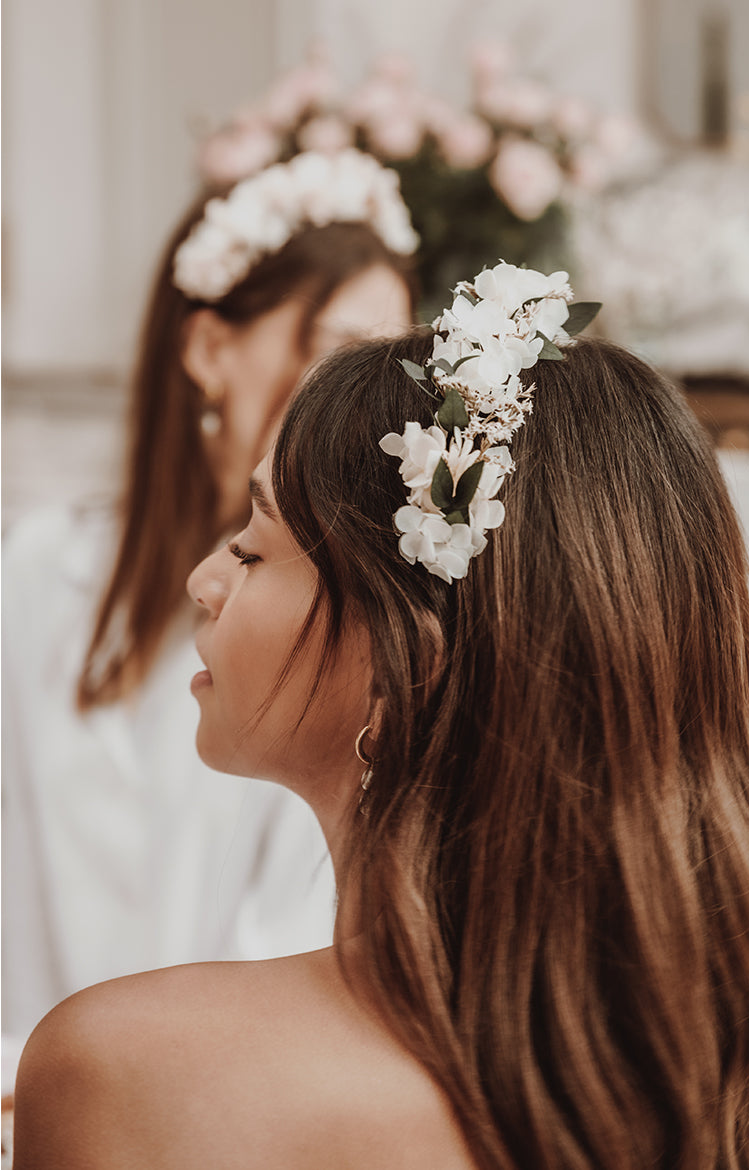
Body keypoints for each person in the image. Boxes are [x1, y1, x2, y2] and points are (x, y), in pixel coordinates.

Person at [13, 264, 749, 1169]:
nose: (204, 580)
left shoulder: (123, 1072)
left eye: (252, 549)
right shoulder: (741, 1042)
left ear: (403, 669)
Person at [1, 149, 418, 1051]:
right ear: (207, 348)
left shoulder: (354, 622)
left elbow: (311, 938)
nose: (364, 401)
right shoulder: (39, 572)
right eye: (337, 350)